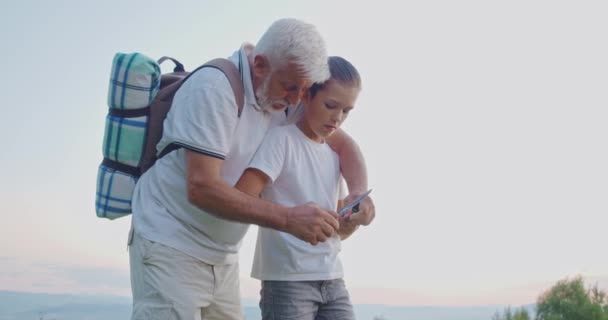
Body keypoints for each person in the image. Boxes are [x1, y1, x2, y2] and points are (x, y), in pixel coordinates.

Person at [128, 18, 374, 320]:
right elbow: (201, 187)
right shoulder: (213, 89)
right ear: (259, 65)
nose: (297, 100)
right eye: (291, 87)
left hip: (222, 256)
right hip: (170, 242)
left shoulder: (283, 94)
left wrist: (358, 192)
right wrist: (289, 218)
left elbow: (345, 146)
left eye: (305, 89)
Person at [236, 56, 366, 320]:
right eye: (331, 106)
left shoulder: (333, 153)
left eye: (347, 111)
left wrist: (355, 217)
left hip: (333, 278)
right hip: (287, 282)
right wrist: (289, 218)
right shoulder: (280, 140)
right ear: (306, 96)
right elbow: (241, 198)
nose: (338, 118)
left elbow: (336, 233)